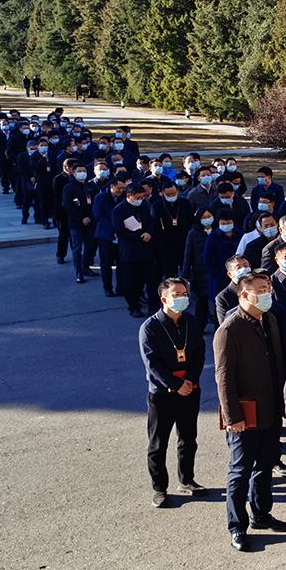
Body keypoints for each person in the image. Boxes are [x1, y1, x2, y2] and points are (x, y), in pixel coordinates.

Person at [214, 272, 286, 552]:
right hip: (244, 415)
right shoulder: (229, 329)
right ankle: (237, 525)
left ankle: (261, 514)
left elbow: (278, 363)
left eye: (268, 287)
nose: (267, 292)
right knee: (240, 471)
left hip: (270, 409)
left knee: (265, 465)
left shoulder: (269, 319)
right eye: (261, 289)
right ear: (244, 295)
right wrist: (232, 417)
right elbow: (223, 377)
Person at [139, 279, 206, 508]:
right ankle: (159, 488)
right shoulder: (150, 327)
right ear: (164, 299)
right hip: (163, 393)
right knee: (158, 443)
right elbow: (152, 363)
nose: (182, 298)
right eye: (176, 294)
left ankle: (187, 479)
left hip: (190, 389)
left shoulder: (191, 322)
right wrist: (176, 384)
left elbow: (199, 354)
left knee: (188, 439)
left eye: (184, 293)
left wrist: (190, 381)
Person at [113, 184, 160, 319]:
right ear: (129, 196)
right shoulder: (119, 210)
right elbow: (119, 230)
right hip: (130, 250)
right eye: (138, 197)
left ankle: (153, 307)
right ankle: (133, 306)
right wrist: (139, 236)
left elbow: (152, 222)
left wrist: (149, 233)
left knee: (151, 280)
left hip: (147, 249)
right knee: (131, 282)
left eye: (142, 197)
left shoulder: (145, 206)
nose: (140, 200)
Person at [62, 164, 97, 285]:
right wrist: (82, 218)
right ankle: (79, 272)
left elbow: (95, 204)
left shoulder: (91, 186)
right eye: (79, 171)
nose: (82, 173)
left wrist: (90, 217)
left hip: (91, 221)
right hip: (76, 223)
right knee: (77, 248)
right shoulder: (68, 188)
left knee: (90, 246)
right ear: (73, 173)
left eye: (84, 171)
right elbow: (68, 206)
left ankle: (85, 267)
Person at [182, 207, 217, 329]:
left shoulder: (217, 231)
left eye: (209, 216)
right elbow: (188, 255)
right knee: (201, 301)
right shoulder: (193, 233)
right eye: (204, 217)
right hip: (200, 272)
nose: (207, 219)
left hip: (215, 270)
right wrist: (185, 275)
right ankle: (199, 327)